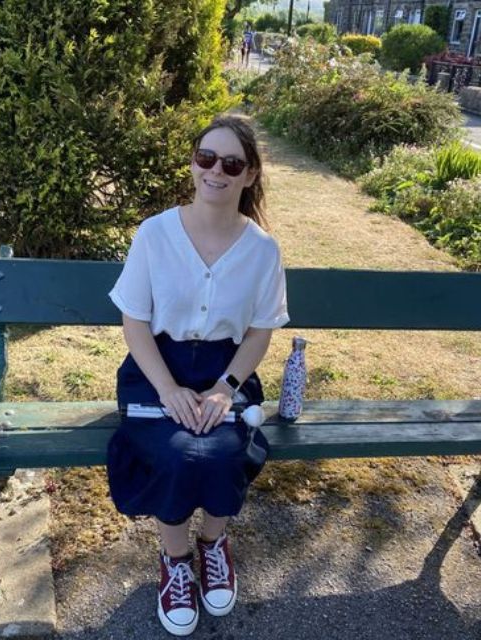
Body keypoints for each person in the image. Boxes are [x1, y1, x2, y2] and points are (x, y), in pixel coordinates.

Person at [106, 115, 289, 636]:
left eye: (231, 163)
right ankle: (175, 561)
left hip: (226, 371)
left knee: (224, 450)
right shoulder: (155, 234)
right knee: (176, 453)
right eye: (206, 157)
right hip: (155, 371)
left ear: (250, 174)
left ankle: (212, 545)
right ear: (192, 162)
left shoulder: (263, 250)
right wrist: (167, 389)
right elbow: (135, 322)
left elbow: (258, 332)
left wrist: (225, 389)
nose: (216, 171)